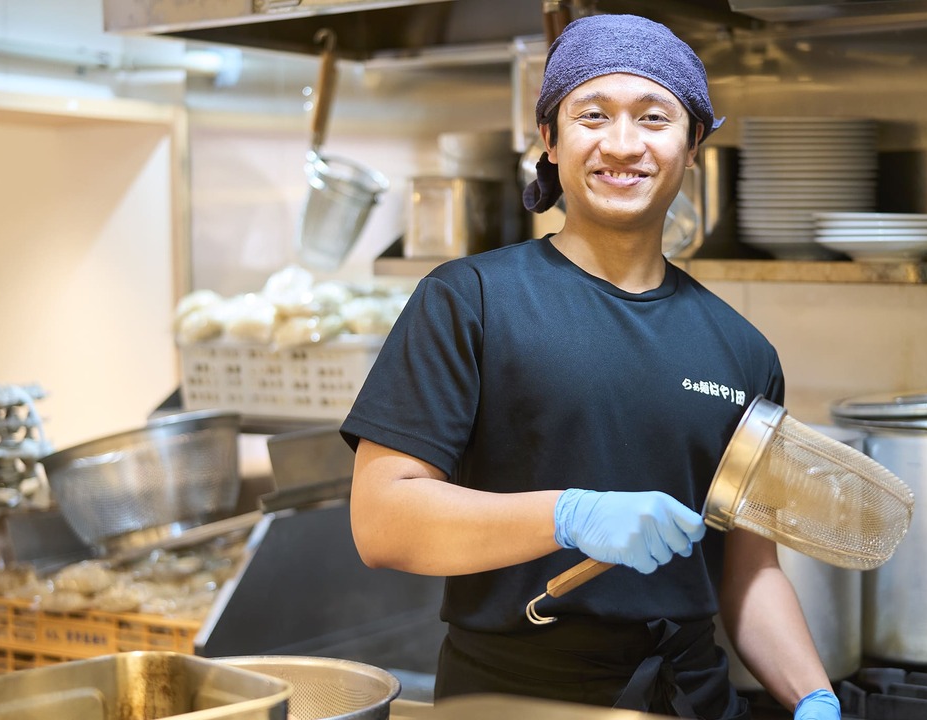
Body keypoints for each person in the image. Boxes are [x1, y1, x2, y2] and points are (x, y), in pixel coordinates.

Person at [341, 13, 840, 720]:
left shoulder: (744, 351)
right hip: (515, 702)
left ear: (694, 144)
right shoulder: (471, 301)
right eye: (593, 115)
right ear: (548, 138)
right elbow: (384, 521)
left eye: (655, 117)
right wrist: (572, 516)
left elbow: (749, 573)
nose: (623, 144)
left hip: (691, 699)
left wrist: (813, 695)